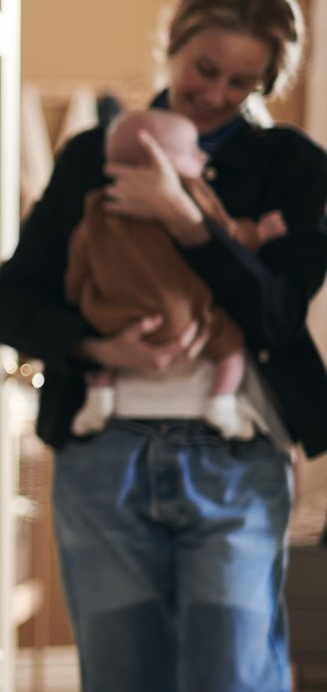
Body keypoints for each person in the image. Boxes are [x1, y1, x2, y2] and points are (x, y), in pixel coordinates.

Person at [0, 0, 327, 692]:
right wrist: (94, 343)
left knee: (228, 690)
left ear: (268, 79)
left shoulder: (288, 166)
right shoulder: (94, 151)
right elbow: (13, 299)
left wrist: (185, 221)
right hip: (102, 468)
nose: (214, 94)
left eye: (240, 79)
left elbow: (276, 309)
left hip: (230, 463)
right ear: (170, 45)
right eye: (199, 69)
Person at [64, 105, 286, 441]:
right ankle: (222, 403)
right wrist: (259, 233)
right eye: (190, 151)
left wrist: (79, 297)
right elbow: (227, 236)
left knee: (101, 350)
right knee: (230, 348)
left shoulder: (95, 210)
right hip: (189, 321)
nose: (201, 157)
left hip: (115, 319)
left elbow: (77, 263)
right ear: (150, 163)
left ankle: (99, 396)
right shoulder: (194, 194)